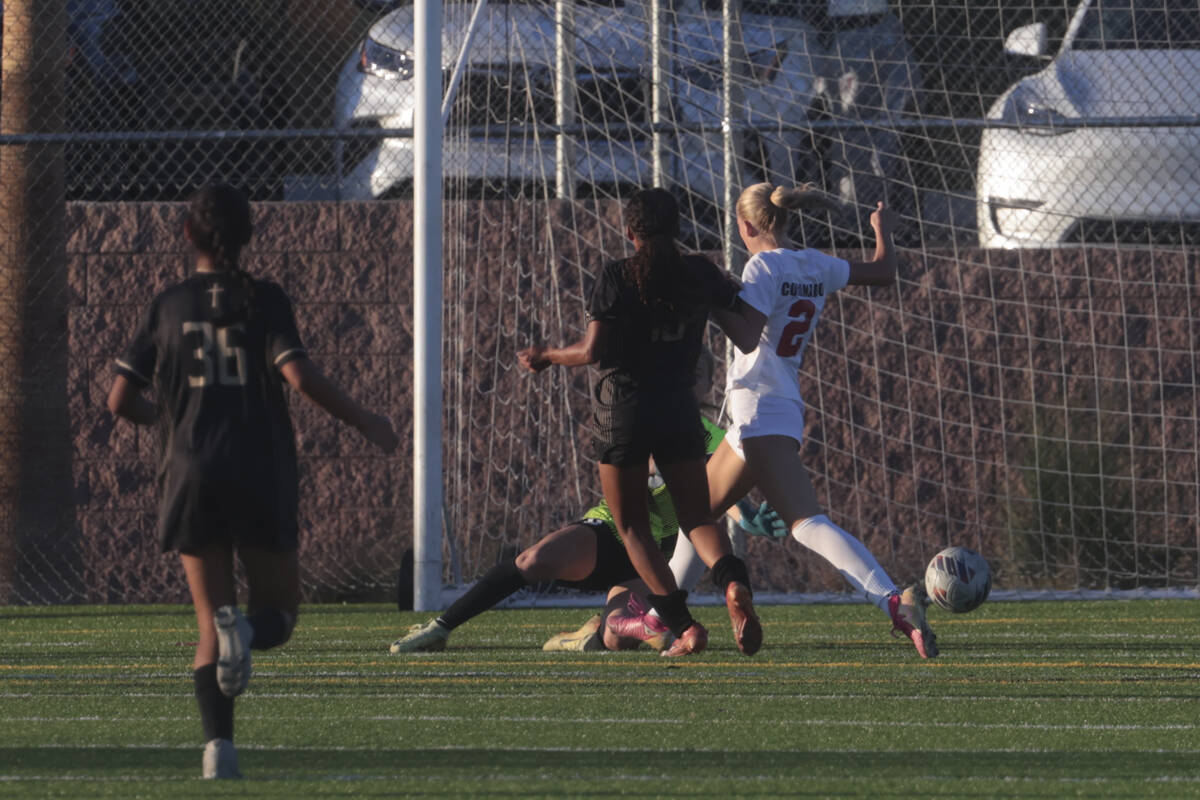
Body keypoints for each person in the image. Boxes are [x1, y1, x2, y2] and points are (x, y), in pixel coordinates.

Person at [107, 184, 398, 779]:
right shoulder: (264, 299)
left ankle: (219, 751)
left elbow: (119, 399)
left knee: (210, 622)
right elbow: (298, 375)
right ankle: (245, 629)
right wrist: (367, 420)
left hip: (191, 472)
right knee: (279, 618)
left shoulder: (167, 305)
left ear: (188, 234)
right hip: (258, 467)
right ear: (249, 236)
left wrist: (168, 423)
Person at [692, 183, 938, 658]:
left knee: (804, 522)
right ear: (786, 219)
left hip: (756, 405)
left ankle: (892, 602)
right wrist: (881, 231)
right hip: (782, 405)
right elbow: (884, 271)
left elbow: (745, 337)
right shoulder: (815, 263)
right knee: (696, 513)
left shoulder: (761, 266)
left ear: (746, 226)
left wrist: (709, 298)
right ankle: (670, 619)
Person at [516, 188, 761, 657]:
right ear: (679, 230)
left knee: (632, 529)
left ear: (630, 233)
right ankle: (733, 584)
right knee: (698, 517)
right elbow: (746, 321)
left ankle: (686, 628)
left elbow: (592, 352)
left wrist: (546, 355)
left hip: (623, 414)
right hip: (679, 410)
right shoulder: (699, 273)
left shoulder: (617, 275)